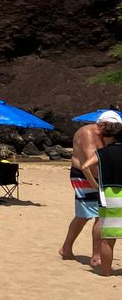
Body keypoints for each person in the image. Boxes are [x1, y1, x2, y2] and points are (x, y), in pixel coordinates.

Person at [62, 110, 122, 268]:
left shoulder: (103, 134)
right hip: (84, 175)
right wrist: (99, 185)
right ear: (101, 124)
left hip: (94, 176)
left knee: (84, 215)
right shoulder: (89, 132)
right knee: (97, 215)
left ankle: (66, 248)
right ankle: (97, 256)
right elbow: (91, 163)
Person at [95, 120, 122, 276]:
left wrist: (95, 184)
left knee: (108, 239)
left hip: (110, 195)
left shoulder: (102, 153)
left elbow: (85, 166)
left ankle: (106, 272)